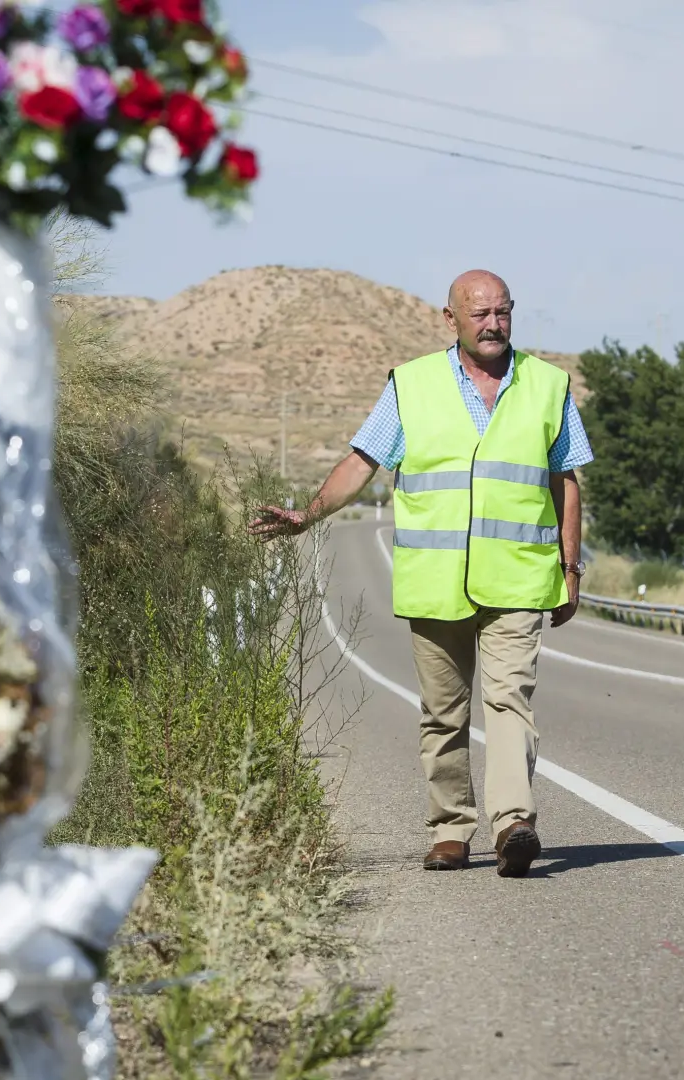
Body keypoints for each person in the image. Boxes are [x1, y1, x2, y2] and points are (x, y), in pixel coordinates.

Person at [249, 270, 592, 878]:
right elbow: (363, 461)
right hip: (434, 583)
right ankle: (451, 829)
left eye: (503, 312)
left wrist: (570, 567)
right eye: (480, 313)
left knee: (510, 698)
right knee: (444, 712)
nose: (493, 324)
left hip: (517, 579)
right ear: (450, 319)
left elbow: (566, 479)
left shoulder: (548, 385)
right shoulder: (410, 386)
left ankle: (514, 823)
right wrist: (307, 514)